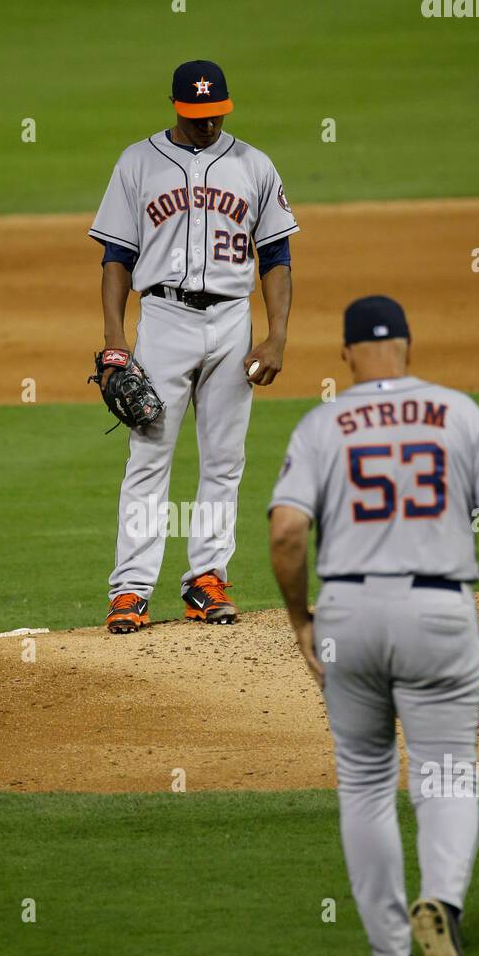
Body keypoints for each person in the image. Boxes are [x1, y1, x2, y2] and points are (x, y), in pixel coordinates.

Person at [268, 295, 479, 956]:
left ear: (346, 354)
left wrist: (301, 619)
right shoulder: (460, 413)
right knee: (448, 776)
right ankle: (443, 909)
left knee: (364, 781)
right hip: (439, 611)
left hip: (349, 613)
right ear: (410, 346)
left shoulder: (323, 422)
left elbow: (287, 535)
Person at [89, 59, 299, 633]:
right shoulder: (137, 162)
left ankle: (207, 579)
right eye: (196, 116)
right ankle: (130, 590)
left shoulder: (254, 165)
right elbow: (116, 257)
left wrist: (276, 333)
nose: (208, 126)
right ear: (177, 107)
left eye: (216, 116)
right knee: (149, 455)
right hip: (162, 318)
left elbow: (276, 256)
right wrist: (114, 337)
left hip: (233, 320)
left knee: (225, 460)